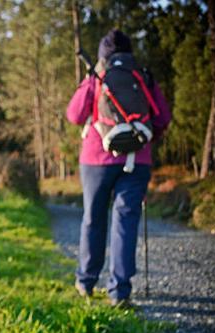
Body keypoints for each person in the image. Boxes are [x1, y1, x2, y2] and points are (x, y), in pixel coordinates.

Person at [66, 29, 171, 306]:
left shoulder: (97, 75)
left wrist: (90, 83)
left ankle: (86, 282)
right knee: (125, 222)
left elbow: (75, 115)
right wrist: (145, 141)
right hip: (137, 160)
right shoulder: (143, 76)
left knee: (94, 218)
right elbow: (162, 118)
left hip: (97, 159)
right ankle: (120, 292)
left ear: (102, 54)